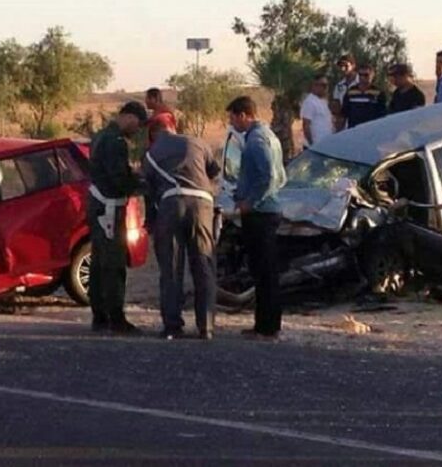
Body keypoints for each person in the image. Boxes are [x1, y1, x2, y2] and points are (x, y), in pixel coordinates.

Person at [142, 113, 220, 340]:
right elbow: (214, 172)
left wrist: (151, 223)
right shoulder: (197, 142)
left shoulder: (151, 154)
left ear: (153, 133)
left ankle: (172, 326)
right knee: (203, 264)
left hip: (171, 205)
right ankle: (206, 326)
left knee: (171, 268)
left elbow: (149, 191)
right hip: (202, 204)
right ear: (173, 127)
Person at [227, 96, 286, 340]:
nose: (231, 123)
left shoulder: (257, 140)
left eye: (232, 118)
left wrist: (250, 202)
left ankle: (267, 326)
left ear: (243, 115)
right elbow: (280, 176)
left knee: (264, 272)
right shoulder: (268, 136)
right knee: (264, 271)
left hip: (260, 214)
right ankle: (264, 323)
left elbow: (268, 177)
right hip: (267, 210)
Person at [87, 101, 148, 335]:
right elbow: (118, 178)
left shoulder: (100, 136)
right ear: (130, 117)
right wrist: (139, 184)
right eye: (138, 124)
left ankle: (100, 315)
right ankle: (116, 318)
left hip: (98, 204)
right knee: (114, 263)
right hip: (110, 207)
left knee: (99, 262)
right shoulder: (116, 142)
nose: (137, 130)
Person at [300, 74, 334, 146]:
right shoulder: (310, 102)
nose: (325, 88)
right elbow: (306, 125)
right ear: (314, 85)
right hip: (315, 145)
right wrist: (312, 144)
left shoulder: (324, 101)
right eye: (323, 85)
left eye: (327, 85)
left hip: (324, 144)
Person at [332, 54, 359, 130]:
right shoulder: (339, 86)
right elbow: (337, 105)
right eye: (341, 66)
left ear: (353, 66)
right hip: (344, 124)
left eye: (346, 65)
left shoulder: (360, 83)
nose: (343, 69)